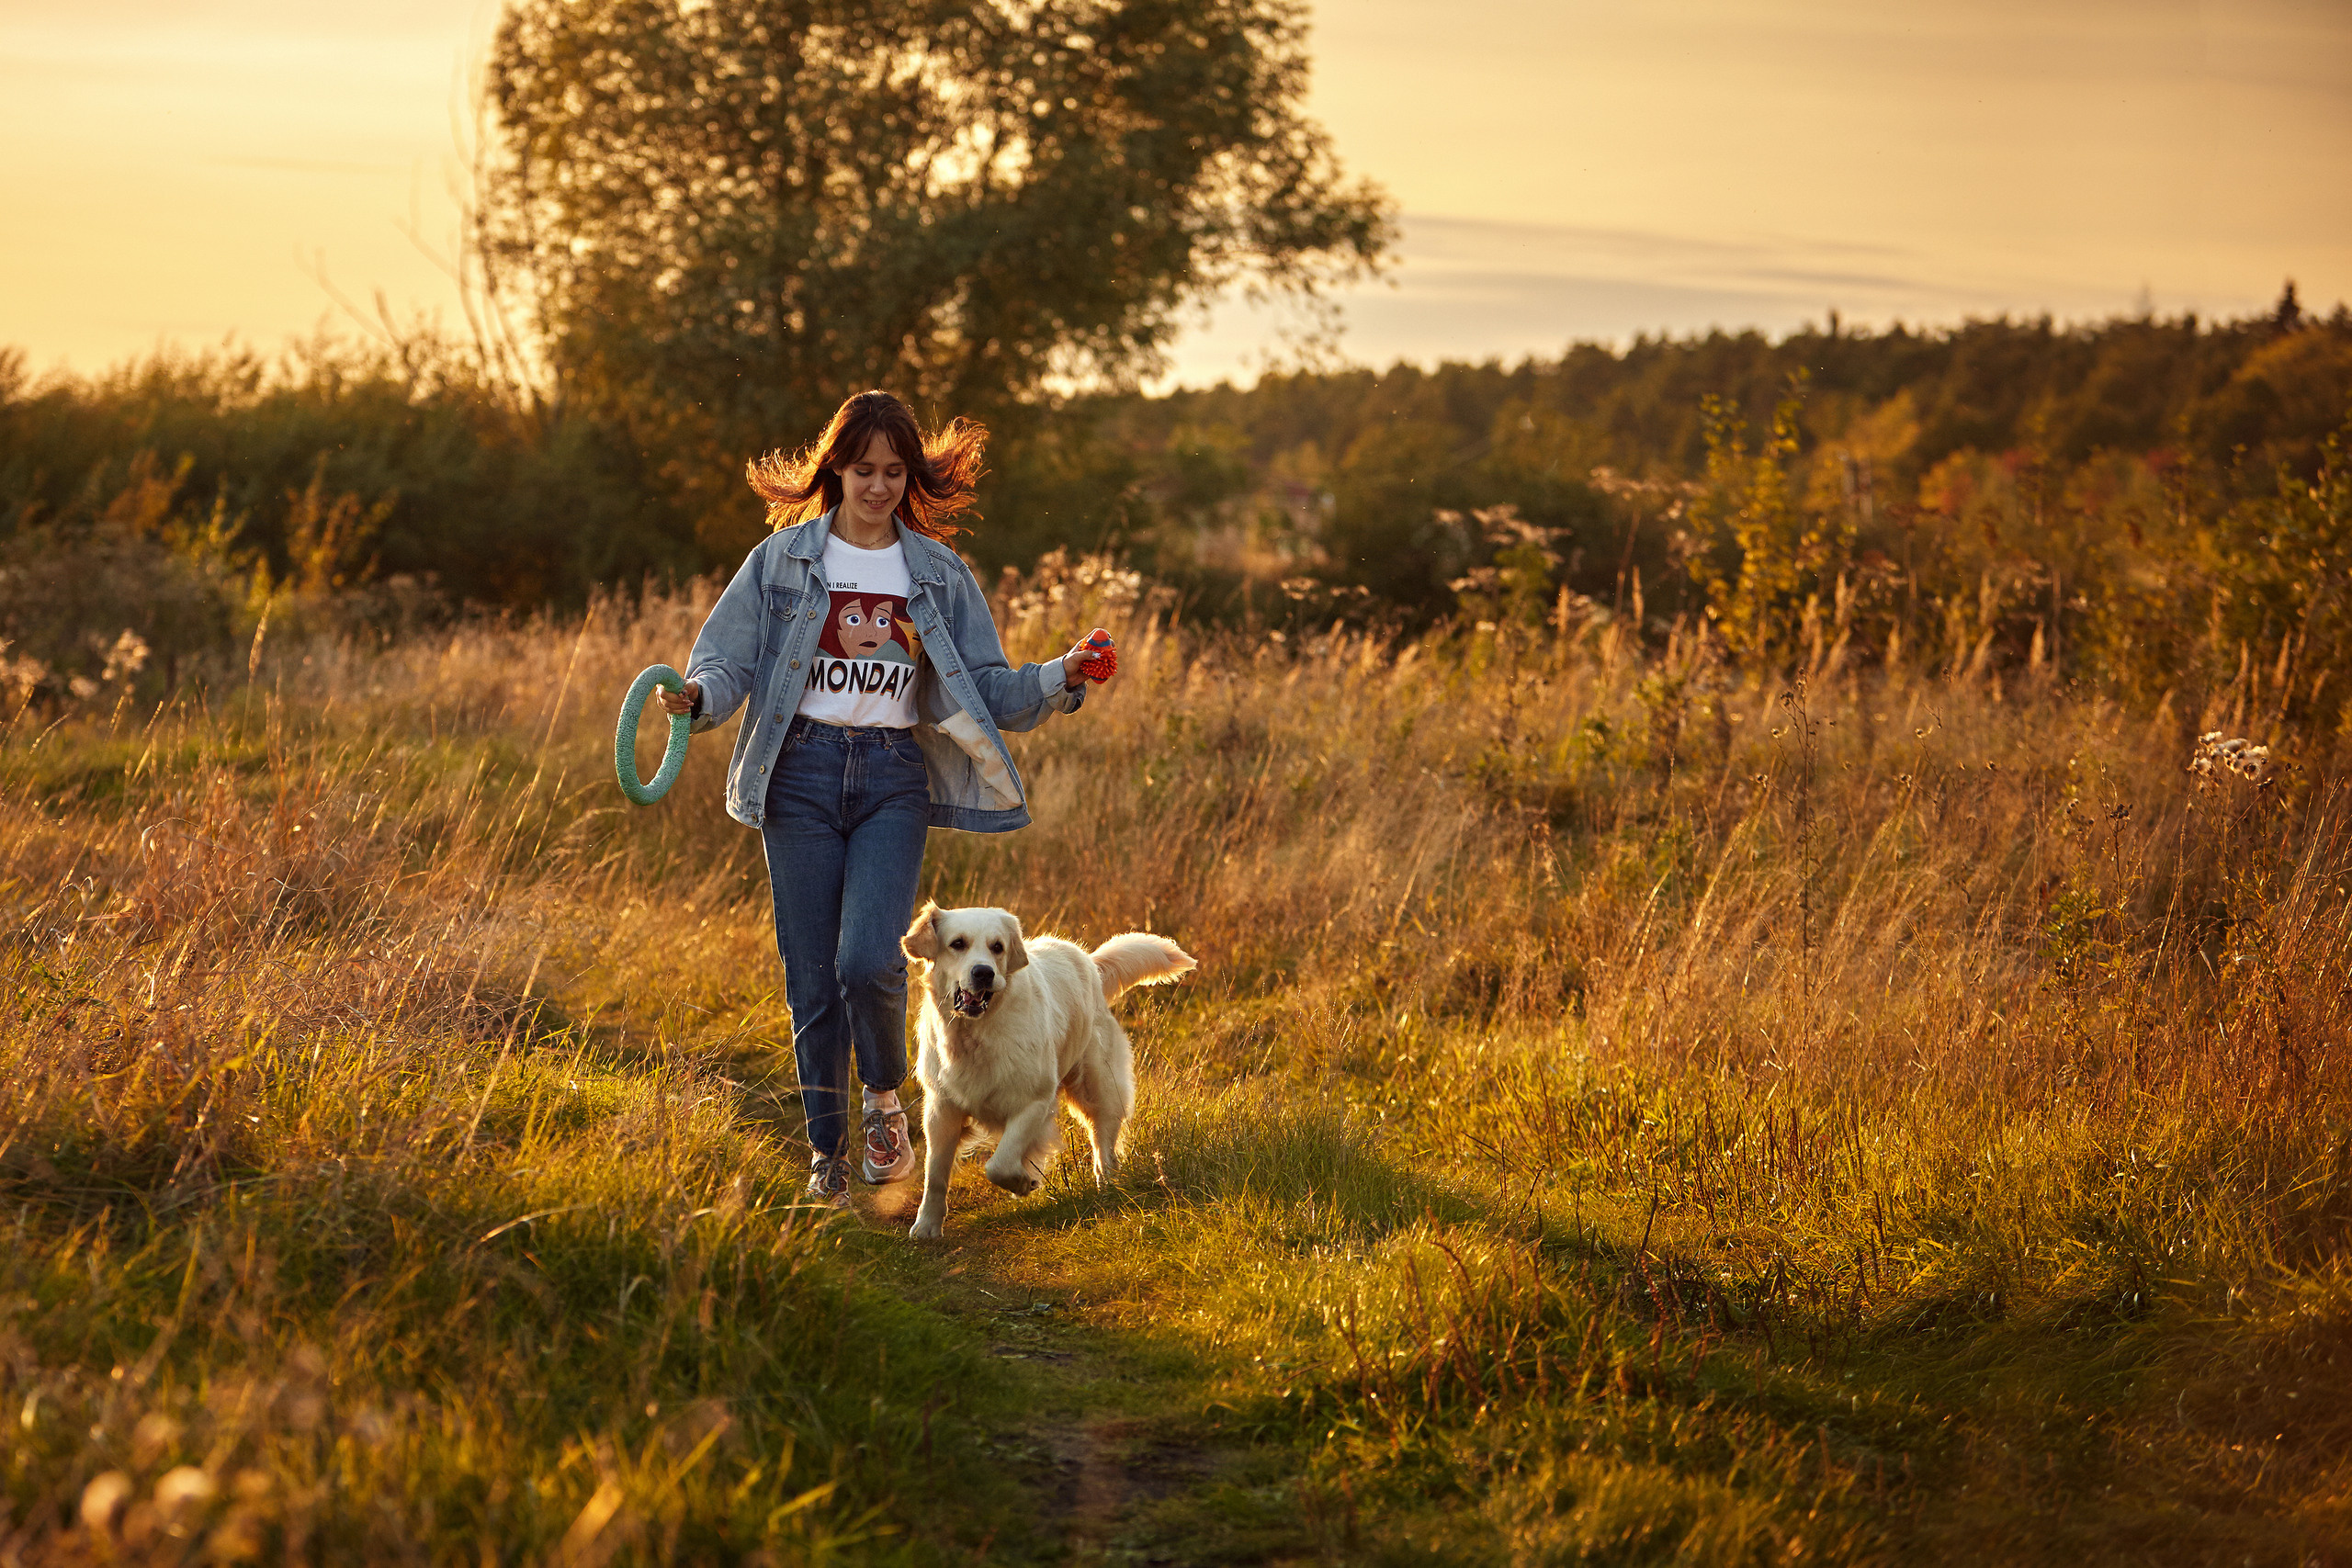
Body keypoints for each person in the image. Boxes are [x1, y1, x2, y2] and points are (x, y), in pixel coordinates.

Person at [661, 390, 1112, 1208]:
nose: (878, 485)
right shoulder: (781, 560)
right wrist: (697, 698)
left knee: (870, 960)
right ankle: (828, 1154)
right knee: (812, 978)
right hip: (798, 773)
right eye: (863, 468)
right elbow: (726, 661)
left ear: (911, 476)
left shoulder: (937, 572)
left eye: (895, 471)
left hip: (891, 777)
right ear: (835, 466)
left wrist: (1062, 674)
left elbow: (987, 687)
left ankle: (882, 1098)